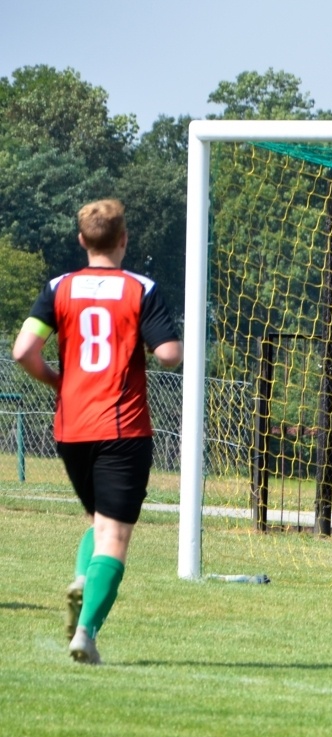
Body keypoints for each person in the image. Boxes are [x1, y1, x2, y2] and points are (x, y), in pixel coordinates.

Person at [10, 199, 182, 664]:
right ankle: (86, 631)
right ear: (124, 239)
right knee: (115, 537)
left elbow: (23, 350)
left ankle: (84, 577)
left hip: (70, 428)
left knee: (99, 523)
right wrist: (161, 348)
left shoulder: (58, 287)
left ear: (83, 241)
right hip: (123, 428)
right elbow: (168, 354)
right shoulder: (140, 289)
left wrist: (58, 381)